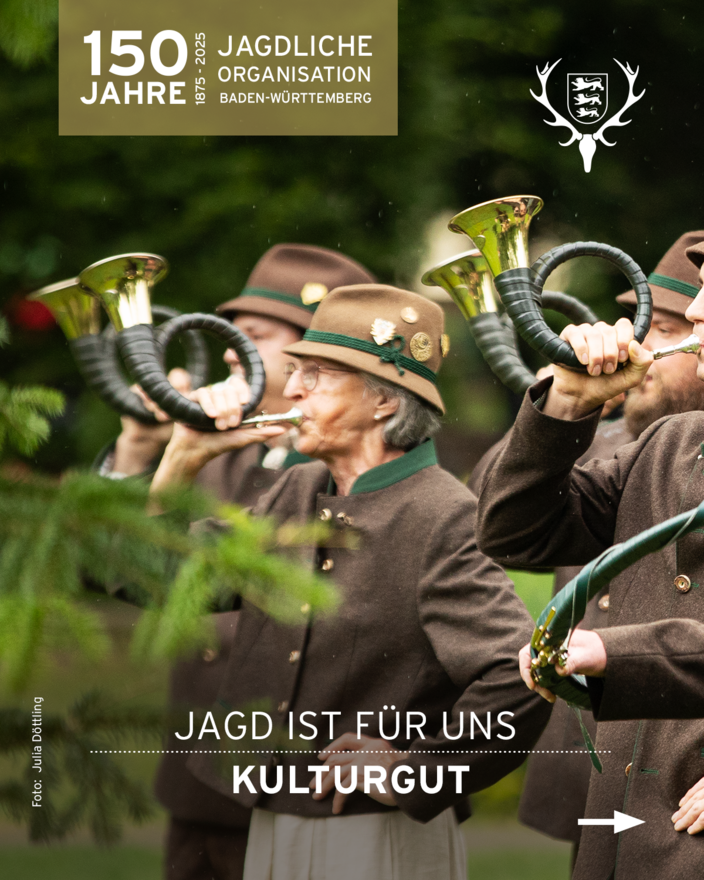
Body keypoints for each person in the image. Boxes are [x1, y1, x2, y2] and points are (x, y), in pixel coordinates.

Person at [150, 283, 551, 880]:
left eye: (314, 374)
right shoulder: (298, 487)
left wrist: (413, 771)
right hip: (274, 814)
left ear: (382, 401)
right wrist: (180, 461)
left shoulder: (444, 515)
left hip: (374, 833)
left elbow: (521, 674)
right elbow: (163, 579)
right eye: (296, 372)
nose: (292, 390)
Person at [106, 243, 376, 880]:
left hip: (314, 784)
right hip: (203, 782)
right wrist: (139, 450)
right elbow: (120, 572)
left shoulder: (359, 467)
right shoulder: (218, 445)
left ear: (320, 354)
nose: (231, 352)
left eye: (254, 334)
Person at [469, 231, 704, 864]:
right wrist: (567, 400)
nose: (696, 312)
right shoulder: (671, 443)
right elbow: (514, 534)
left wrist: (610, 651)